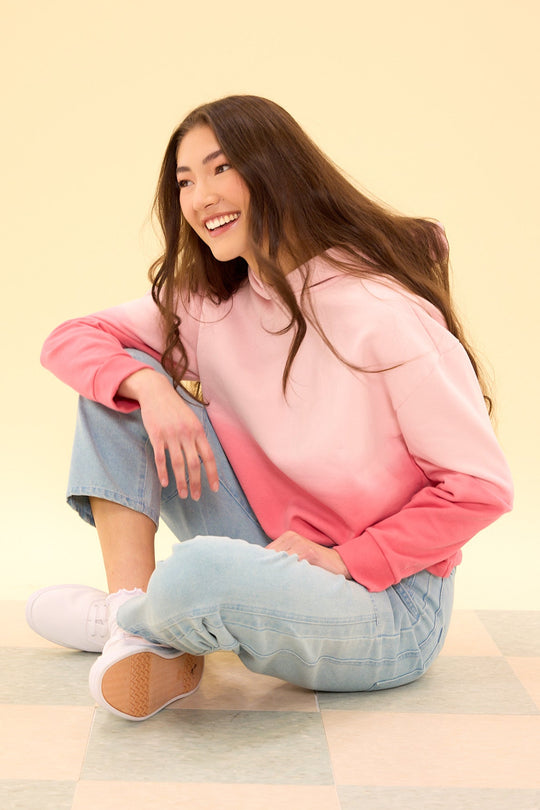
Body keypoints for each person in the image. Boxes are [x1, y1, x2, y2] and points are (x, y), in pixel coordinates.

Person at [26, 95, 513, 721]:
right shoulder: (213, 305)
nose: (201, 197)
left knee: (201, 572)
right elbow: (72, 339)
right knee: (118, 394)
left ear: (276, 170)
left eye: (220, 168)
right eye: (185, 181)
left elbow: (480, 488)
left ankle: (138, 620)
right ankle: (137, 620)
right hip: (272, 550)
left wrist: (342, 559)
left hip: (386, 604)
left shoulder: (382, 315)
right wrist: (151, 390)